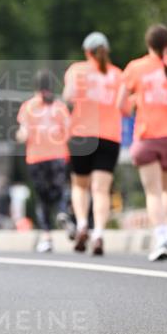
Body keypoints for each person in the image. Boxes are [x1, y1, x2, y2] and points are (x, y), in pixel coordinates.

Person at [64, 32, 123, 256]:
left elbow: (68, 96)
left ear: (87, 51)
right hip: (109, 136)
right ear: (106, 51)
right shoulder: (117, 74)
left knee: (79, 186)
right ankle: (98, 233)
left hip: (82, 134)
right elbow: (125, 107)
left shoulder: (77, 70)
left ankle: (81, 225)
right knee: (101, 189)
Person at [119, 24, 167, 261]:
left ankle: (161, 237)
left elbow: (121, 106)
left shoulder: (135, 68)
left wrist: (135, 102)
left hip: (147, 138)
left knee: (153, 192)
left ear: (148, 44)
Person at [16, 70, 71, 253]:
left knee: (42, 198)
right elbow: (69, 132)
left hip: (36, 157)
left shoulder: (28, 107)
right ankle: (63, 212)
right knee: (60, 189)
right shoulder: (60, 107)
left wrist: (19, 137)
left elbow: (24, 134)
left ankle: (47, 237)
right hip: (58, 155)